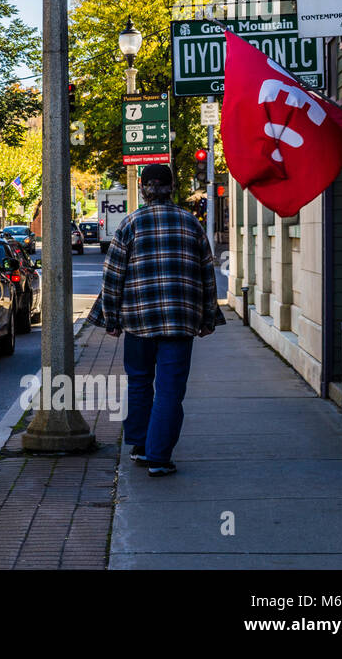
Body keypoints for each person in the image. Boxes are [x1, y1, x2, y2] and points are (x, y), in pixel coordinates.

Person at [86, 163, 224, 477]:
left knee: (139, 381)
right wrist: (208, 318)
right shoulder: (191, 223)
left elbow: (113, 276)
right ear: (172, 187)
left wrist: (111, 318)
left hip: (138, 321)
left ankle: (138, 444)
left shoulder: (130, 223)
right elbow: (206, 274)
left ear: (144, 188)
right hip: (179, 321)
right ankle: (158, 456)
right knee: (170, 389)